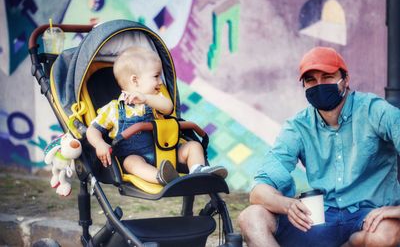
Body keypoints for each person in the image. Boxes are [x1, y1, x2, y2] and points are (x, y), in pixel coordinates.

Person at [238, 47, 400, 247]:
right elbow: (259, 190)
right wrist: (287, 205)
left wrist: (396, 210)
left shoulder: (375, 111)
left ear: (345, 79)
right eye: (311, 80)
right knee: (251, 217)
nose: (319, 85)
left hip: (370, 217)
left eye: (328, 76)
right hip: (319, 217)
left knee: (386, 236)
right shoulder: (297, 126)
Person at [87, 46, 227, 185]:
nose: (161, 81)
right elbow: (92, 129)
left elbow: (168, 108)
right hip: (135, 156)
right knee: (131, 163)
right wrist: (99, 144)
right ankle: (161, 177)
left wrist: (146, 98)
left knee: (194, 146)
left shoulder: (155, 100)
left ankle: (198, 170)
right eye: (156, 76)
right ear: (135, 80)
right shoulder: (114, 109)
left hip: (166, 153)